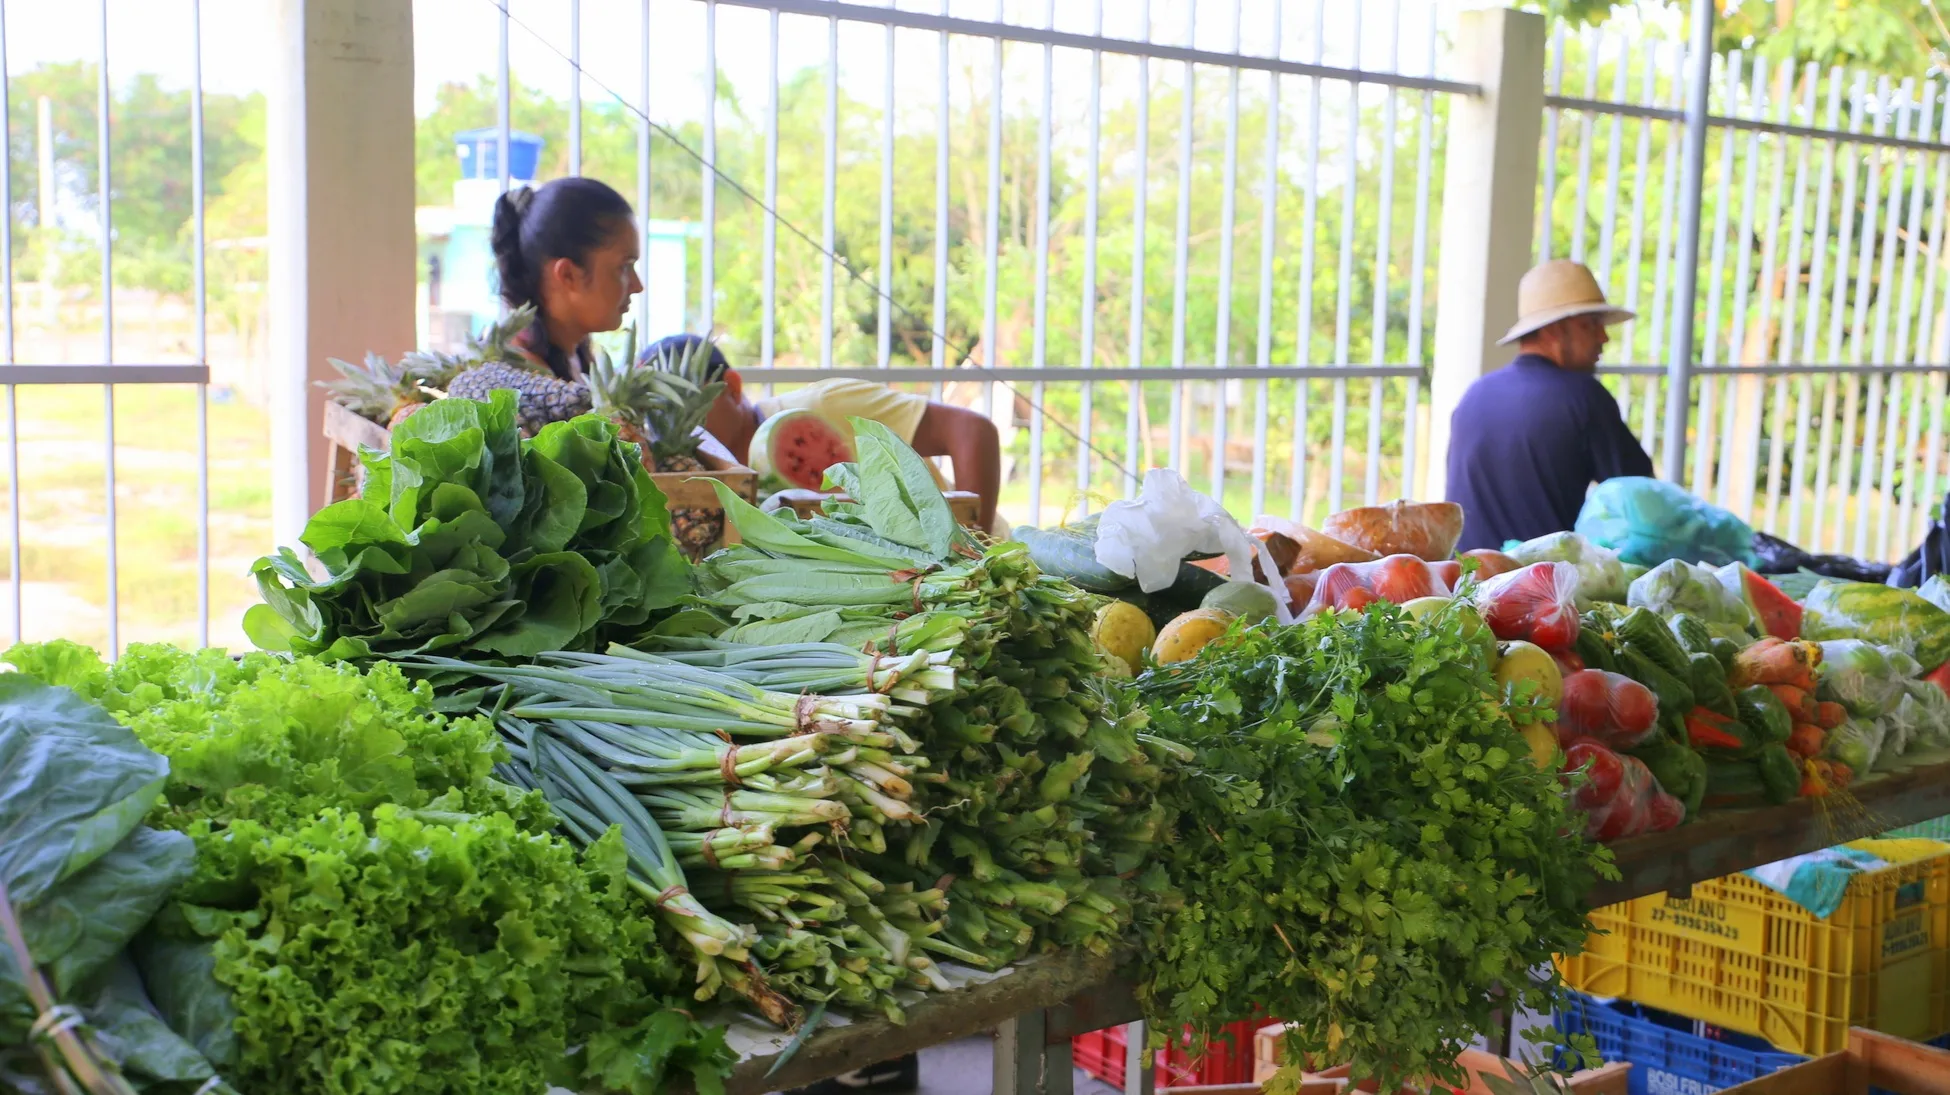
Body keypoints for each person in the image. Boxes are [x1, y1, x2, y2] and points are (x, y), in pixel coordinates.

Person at [1445, 258, 1653, 552]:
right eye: (1590, 325)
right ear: (1554, 330)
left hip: (1465, 584)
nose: (1603, 337)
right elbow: (1644, 507)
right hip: (1544, 588)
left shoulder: (1475, 395)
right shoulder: (1583, 397)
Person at [683, 354, 1005, 536]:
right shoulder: (696, 479)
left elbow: (972, 430)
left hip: (982, 575)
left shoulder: (823, 404)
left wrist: (979, 548)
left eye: (690, 402)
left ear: (733, 387)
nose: (683, 420)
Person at [449, 177, 643, 435]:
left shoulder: (573, 357)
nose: (637, 285)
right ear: (567, 275)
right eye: (624, 266)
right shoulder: (513, 394)